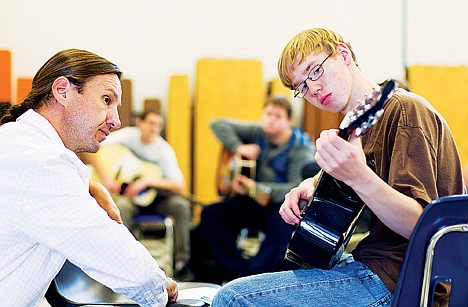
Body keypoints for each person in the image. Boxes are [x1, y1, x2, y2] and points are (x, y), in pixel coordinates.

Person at [212, 28, 464, 306]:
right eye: (302, 88)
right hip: (369, 261)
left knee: (232, 298)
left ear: (343, 54)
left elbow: (421, 226)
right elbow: (348, 178)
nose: (313, 89)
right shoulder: (355, 128)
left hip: (401, 280)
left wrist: (359, 176)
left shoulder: (404, 110)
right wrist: (309, 185)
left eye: (315, 71)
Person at [0, 49, 178, 306]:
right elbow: (115, 255)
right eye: (106, 100)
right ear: (62, 91)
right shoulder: (40, 162)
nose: (115, 120)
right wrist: (162, 287)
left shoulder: (18, 144)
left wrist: (87, 187)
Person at [196, 96, 316, 283]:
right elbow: (217, 124)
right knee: (211, 214)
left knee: (284, 225)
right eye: (268, 114)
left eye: (278, 116)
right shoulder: (258, 133)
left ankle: (257, 276)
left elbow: (296, 187)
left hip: (280, 205)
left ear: (289, 122)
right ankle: (238, 272)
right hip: (253, 202)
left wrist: (256, 187)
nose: (271, 119)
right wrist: (239, 147)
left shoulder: (300, 148)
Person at [81, 109, 193, 281]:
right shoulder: (127, 137)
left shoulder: (163, 150)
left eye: (159, 125)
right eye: (151, 123)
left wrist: (147, 182)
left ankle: (181, 263)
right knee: (121, 207)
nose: (155, 129)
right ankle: (125, 262)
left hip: (155, 199)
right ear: (139, 123)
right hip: (129, 199)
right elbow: (90, 149)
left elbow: (179, 184)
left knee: (181, 206)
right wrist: (106, 177)